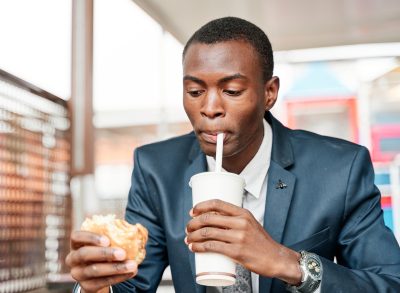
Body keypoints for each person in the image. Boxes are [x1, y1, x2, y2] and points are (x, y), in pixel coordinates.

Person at [66, 17, 400, 293]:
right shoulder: (156, 169)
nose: (209, 108)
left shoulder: (340, 169)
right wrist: (97, 284)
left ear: (269, 93)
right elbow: (133, 285)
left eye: (232, 91)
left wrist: (288, 264)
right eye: (195, 91)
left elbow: (390, 283)